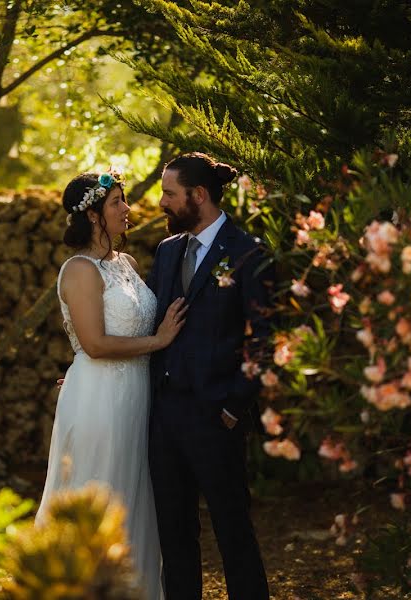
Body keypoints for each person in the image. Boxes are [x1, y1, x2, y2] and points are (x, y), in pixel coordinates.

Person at [36, 169, 187, 599]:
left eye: (124, 200)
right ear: (94, 215)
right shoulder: (80, 270)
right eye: (117, 202)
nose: (128, 209)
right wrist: (158, 341)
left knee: (134, 495)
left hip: (137, 396)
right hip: (97, 398)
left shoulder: (128, 264)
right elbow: (96, 344)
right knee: (99, 489)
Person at [146, 152, 273, 599]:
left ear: (198, 196)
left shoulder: (247, 252)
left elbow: (265, 337)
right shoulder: (166, 252)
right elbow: (149, 326)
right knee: (175, 537)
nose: (161, 202)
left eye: (169, 194)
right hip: (165, 418)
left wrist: (235, 405)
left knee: (233, 533)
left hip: (217, 415)